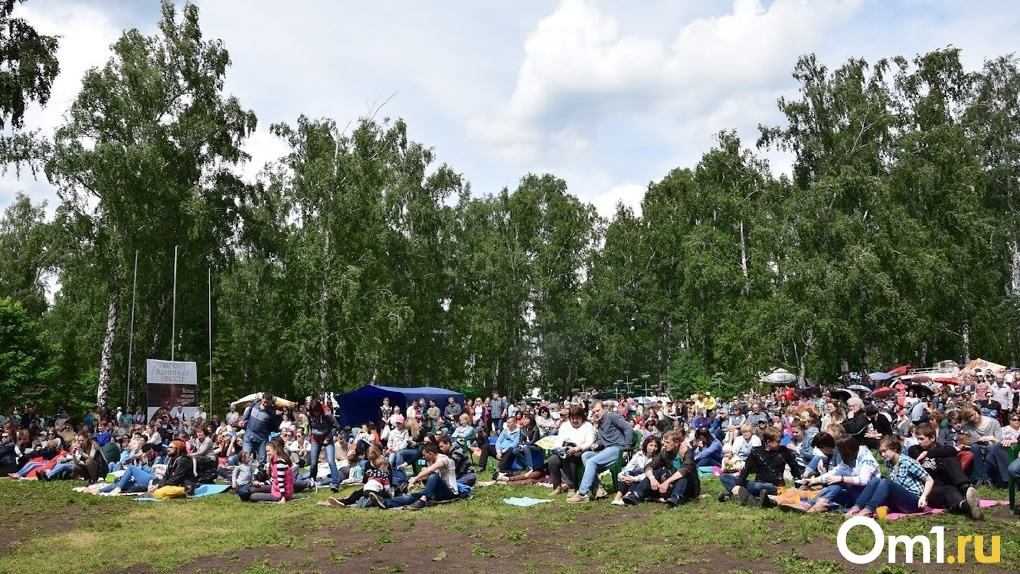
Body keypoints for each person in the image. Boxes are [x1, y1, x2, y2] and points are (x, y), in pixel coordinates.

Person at [845, 435, 934, 517]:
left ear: (894, 449)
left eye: (884, 451)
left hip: (914, 502)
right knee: (875, 480)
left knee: (886, 482)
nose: (883, 455)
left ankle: (868, 510)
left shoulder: (908, 462)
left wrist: (923, 497)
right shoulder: (888, 463)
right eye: (881, 452)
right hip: (899, 501)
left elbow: (929, 480)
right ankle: (856, 507)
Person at [907, 423, 983, 520]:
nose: (919, 442)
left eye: (921, 439)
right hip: (930, 489)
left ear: (932, 437)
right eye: (917, 439)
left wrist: (928, 453)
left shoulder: (941, 449)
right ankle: (968, 507)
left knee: (949, 457)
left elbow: (951, 449)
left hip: (947, 483)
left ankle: (965, 488)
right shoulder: (914, 450)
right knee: (948, 491)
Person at [567, 400, 633, 503]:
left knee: (591, 462)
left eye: (598, 411)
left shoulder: (612, 417)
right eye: (593, 412)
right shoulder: (600, 423)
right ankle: (598, 488)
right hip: (607, 450)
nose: (596, 414)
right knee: (586, 455)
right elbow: (605, 440)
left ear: (604, 409)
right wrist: (598, 445)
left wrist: (626, 448)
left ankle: (582, 493)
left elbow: (628, 428)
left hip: (618, 449)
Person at [723, 427, 800, 507]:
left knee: (759, 487)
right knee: (725, 477)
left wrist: (798, 483)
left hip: (774, 486)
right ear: (768, 442)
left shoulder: (783, 451)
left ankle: (736, 496)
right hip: (758, 482)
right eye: (777, 441)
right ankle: (741, 495)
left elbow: (794, 467)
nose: (780, 443)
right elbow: (746, 469)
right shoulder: (756, 451)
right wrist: (739, 484)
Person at [369, 443, 458, 510]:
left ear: (430, 454)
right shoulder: (431, 461)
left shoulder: (443, 458)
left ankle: (423, 499)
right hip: (436, 492)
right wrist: (412, 481)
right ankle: (384, 503)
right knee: (410, 496)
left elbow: (431, 471)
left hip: (449, 492)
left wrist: (416, 478)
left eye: (424, 455)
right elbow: (428, 477)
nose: (423, 457)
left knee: (433, 476)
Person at [621, 430, 699, 507]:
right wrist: (652, 479)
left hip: (689, 486)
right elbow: (650, 465)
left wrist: (667, 482)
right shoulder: (665, 452)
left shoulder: (686, 452)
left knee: (684, 476)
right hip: (672, 483)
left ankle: (676, 497)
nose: (664, 445)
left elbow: (685, 469)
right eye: (664, 442)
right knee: (656, 471)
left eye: (667, 442)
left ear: (676, 443)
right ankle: (636, 494)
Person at [547, 405, 595, 496]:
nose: (574, 421)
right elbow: (559, 439)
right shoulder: (565, 426)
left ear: (582, 417)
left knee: (569, 457)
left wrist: (576, 449)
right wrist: (559, 449)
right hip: (566, 449)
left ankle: (572, 486)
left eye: (577, 418)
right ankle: (557, 486)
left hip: (582, 451)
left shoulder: (588, 426)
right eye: (572, 418)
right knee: (552, 460)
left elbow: (589, 442)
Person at [961, 405, 1008, 487]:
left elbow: (999, 441)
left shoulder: (994, 422)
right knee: (975, 447)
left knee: (990, 447)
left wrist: (991, 438)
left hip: (991, 448)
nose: (972, 418)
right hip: (976, 449)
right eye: (968, 417)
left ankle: (988, 479)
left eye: (972, 415)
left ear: (977, 411)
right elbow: (965, 441)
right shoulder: (968, 426)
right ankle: (978, 479)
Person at [611, 435, 661, 505]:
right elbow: (628, 467)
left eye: (655, 446)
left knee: (637, 476)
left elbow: (649, 474)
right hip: (634, 476)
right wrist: (622, 476)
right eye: (651, 445)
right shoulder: (639, 454)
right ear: (646, 445)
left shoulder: (657, 459)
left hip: (646, 482)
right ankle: (617, 498)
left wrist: (635, 479)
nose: (653, 448)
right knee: (630, 473)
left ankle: (627, 497)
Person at [238, 392, 281, 467]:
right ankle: (243, 476)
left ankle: (261, 476)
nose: (265, 404)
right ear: (262, 399)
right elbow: (248, 413)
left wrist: (278, 416)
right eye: (264, 402)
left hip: (262, 439)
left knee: (261, 460)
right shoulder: (254, 404)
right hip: (249, 435)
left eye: (268, 403)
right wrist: (243, 420)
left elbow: (275, 427)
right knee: (244, 457)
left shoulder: (272, 412)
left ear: (271, 402)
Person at [306, 398, 340, 492]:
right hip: (315, 439)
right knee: (313, 463)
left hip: (327, 438)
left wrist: (328, 438)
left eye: (317, 412)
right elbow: (310, 426)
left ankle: (335, 483)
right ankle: (312, 482)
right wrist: (310, 435)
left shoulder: (327, 414)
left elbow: (336, 426)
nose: (316, 414)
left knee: (331, 461)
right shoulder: (309, 415)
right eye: (314, 412)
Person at [246, 438, 294, 504]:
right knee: (252, 489)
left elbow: (281, 481)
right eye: (266, 451)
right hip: (275, 488)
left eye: (268, 451)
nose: (267, 453)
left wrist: (283, 498)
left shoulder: (280, 462)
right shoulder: (273, 462)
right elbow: (273, 480)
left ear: (275, 451)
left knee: (253, 496)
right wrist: (261, 484)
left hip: (283, 492)